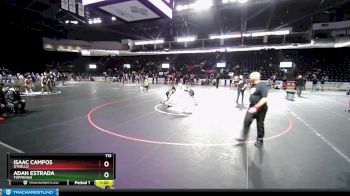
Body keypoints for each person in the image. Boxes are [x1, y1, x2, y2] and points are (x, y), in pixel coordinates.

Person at [236, 72, 268, 147]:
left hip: (261, 108)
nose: (249, 78)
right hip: (252, 106)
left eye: (250, 77)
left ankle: (260, 139)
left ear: (255, 77)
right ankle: (244, 137)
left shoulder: (262, 85)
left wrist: (256, 107)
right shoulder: (253, 84)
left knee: (260, 124)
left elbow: (264, 99)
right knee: (246, 121)